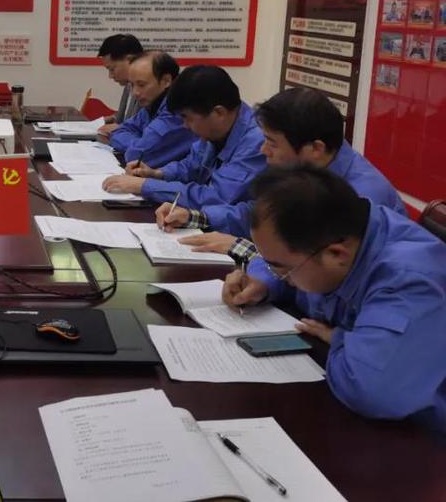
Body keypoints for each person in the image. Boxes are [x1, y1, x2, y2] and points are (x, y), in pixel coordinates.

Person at [222, 165, 445, 431]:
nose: (280, 275)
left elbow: (369, 390)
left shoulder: (410, 280)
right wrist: (263, 280)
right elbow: (303, 274)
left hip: (422, 438)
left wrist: (340, 338)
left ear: (336, 254)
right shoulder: (340, 236)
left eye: (280, 268)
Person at [157, 87, 406, 255]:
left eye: (272, 143)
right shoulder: (308, 170)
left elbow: (317, 270)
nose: (263, 150)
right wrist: (196, 217)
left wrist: (241, 248)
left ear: (315, 148)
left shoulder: (361, 199)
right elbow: (262, 212)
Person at [102, 65, 266, 206]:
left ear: (218, 113)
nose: (185, 125)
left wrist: (145, 186)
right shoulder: (216, 130)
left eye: (187, 118)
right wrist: (157, 174)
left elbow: (216, 197)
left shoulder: (257, 143)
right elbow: (191, 165)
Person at [106, 51, 196, 168]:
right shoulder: (153, 103)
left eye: (141, 85)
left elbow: (137, 156)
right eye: (132, 85)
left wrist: (137, 145)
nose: (135, 93)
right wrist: (139, 143)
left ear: (166, 81)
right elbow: (119, 131)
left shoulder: (176, 110)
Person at [95, 34, 144, 136]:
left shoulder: (148, 89)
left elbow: (144, 128)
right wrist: (114, 119)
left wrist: (121, 128)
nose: (110, 76)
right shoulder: (128, 85)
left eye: (112, 69)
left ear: (130, 60)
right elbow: (128, 120)